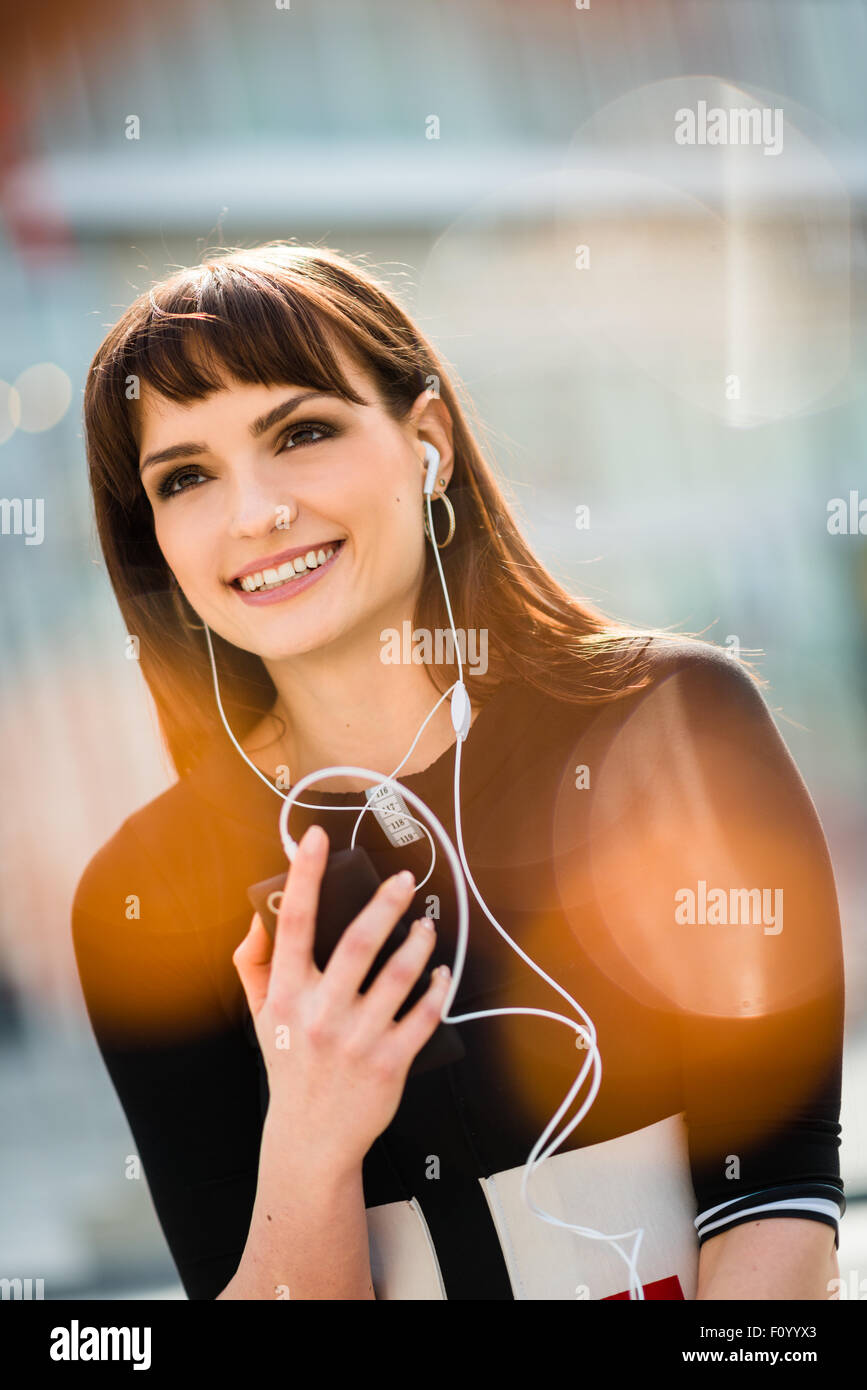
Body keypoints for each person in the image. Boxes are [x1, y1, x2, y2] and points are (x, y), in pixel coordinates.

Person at [71, 243, 845, 1300]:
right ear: (154, 536)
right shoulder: (146, 891)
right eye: (188, 476)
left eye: (300, 432)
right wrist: (311, 1132)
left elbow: (779, 1214)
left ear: (425, 440)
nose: (254, 512)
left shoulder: (670, 727)